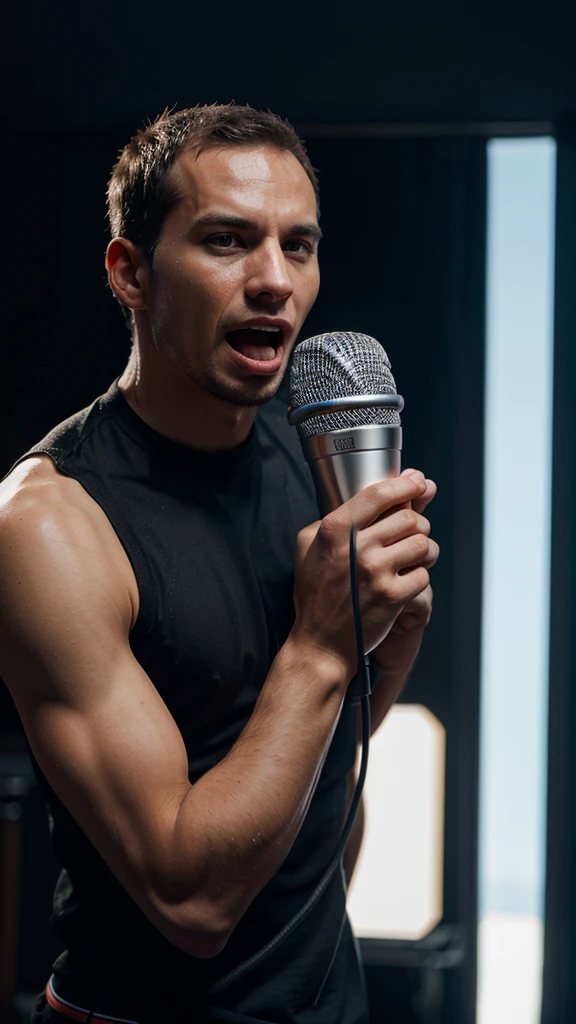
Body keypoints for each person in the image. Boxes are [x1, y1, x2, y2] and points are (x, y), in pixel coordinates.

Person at [0, 104, 439, 1024]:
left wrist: (373, 670)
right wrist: (325, 649)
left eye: (299, 245)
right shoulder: (48, 526)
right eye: (228, 241)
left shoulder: (305, 451)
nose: (275, 280)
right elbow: (192, 901)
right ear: (131, 272)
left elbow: (306, 781)